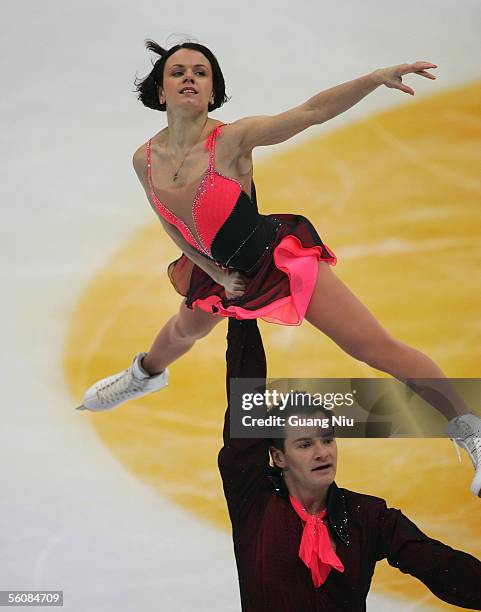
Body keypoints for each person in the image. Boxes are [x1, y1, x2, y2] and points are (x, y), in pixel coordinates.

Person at [75, 39, 481, 497]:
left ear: (212, 92)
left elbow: (311, 111)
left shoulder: (231, 140)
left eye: (201, 72)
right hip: (221, 273)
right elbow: (174, 228)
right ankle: (143, 376)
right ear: (161, 91)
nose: (189, 77)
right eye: (178, 71)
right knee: (183, 331)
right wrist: (212, 270)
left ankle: (470, 428)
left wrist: (371, 80)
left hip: (275, 261)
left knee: (373, 347)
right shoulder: (143, 160)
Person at [219, 317, 481, 611]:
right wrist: (242, 317)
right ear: (278, 457)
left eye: (327, 440)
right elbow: (246, 405)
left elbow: (441, 567)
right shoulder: (255, 501)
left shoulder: (368, 518)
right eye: (305, 445)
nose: (322, 453)